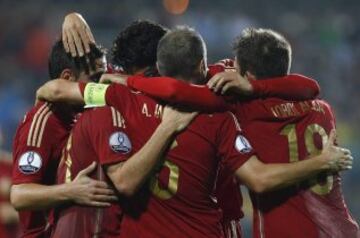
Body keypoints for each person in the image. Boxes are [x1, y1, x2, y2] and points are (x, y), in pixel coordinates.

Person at [38, 26, 352, 238]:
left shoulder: (122, 99)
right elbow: (309, 86)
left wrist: (120, 83)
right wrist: (323, 161)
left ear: (158, 69)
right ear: (203, 64)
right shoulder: (227, 110)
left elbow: (55, 89)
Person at [11, 40, 116, 238]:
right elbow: (19, 195)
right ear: (67, 78)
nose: (100, 87)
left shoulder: (79, 113)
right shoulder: (43, 121)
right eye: (95, 78)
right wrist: (72, 191)